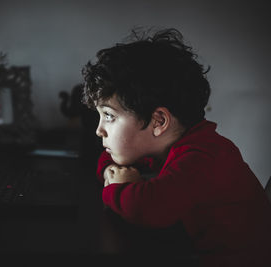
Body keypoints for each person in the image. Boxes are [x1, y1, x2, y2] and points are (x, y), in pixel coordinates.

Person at [81, 27, 271, 266]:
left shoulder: (204, 156)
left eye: (109, 116)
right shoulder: (172, 144)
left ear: (158, 121)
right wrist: (112, 169)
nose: (99, 130)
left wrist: (117, 186)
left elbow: (150, 207)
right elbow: (115, 159)